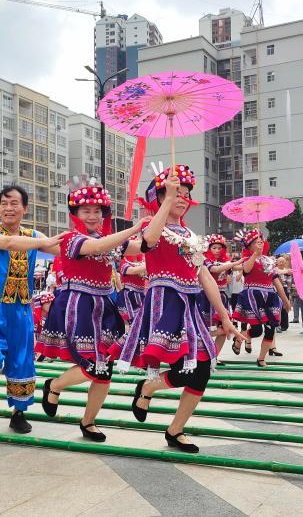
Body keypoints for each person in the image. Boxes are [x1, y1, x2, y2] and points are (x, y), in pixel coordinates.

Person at [109, 165, 243, 453]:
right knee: (183, 369)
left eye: (185, 194)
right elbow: (149, 242)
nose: (181, 198)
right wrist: (166, 200)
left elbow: (204, 275)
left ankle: (175, 429)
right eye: (175, 193)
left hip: (190, 305)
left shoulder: (192, 236)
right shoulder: (152, 225)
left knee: (203, 369)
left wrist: (225, 317)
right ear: (160, 196)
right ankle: (147, 388)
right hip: (164, 303)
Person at [35, 178, 149, 442]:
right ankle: (53, 385)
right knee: (91, 364)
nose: (93, 215)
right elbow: (98, 248)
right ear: (74, 214)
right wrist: (134, 228)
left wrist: (157, 221)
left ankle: (88, 422)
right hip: (78, 305)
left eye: (97, 211)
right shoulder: (72, 238)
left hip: (105, 305)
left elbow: (142, 247)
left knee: (104, 369)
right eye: (86, 211)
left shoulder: (108, 238)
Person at [0, 185, 63, 434]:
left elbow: (65, 250)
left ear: (24, 208)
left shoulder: (33, 235)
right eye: (4, 203)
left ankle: (18, 413)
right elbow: (7, 242)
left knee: (22, 361)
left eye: (14, 203)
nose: (8, 208)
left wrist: (88, 247)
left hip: (21, 309)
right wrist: (43, 242)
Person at [232, 228, 291, 366]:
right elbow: (246, 270)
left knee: (270, 329)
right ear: (250, 245)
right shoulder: (247, 258)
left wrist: (285, 300)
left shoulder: (269, 261)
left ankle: (261, 358)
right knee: (257, 330)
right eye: (257, 242)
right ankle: (240, 339)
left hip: (269, 296)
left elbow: (276, 280)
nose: (260, 244)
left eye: (261, 241)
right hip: (253, 295)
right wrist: (255, 255)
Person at [197, 234, 242, 355]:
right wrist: (236, 263)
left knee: (224, 330)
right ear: (208, 248)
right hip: (205, 296)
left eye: (219, 248)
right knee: (205, 328)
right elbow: (215, 269)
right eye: (214, 248)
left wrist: (250, 257)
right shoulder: (205, 260)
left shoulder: (225, 262)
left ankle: (214, 356)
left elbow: (241, 267)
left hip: (222, 297)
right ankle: (203, 355)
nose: (217, 250)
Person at [115, 248, 147, 324]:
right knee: (134, 321)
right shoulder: (124, 262)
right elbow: (133, 271)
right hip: (129, 296)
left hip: (141, 294)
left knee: (143, 320)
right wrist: (150, 263)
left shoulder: (142, 262)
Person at [274, 256, 292, 333]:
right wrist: (286, 272)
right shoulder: (275, 270)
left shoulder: (287, 271)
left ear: (285, 263)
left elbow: (289, 281)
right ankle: (276, 324)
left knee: (285, 307)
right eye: (280, 261)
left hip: (285, 290)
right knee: (276, 308)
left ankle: (284, 325)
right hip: (275, 290)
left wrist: (289, 288)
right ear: (277, 262)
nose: (281, 263)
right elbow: (277, 273)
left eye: (283, 262)